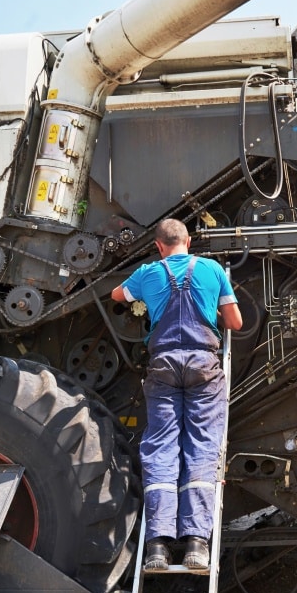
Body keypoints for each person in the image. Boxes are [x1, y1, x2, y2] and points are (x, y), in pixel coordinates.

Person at [111, 218, 243, 571]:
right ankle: (197, 543)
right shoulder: (212, 269)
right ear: (189, 240)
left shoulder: (148, 272)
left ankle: (156, 545)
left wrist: (144, 295)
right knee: (201, 446)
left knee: (161, 448)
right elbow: (235, 322)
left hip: (164, 366)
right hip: (203, 368)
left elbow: (117, 296)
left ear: (158, 245)